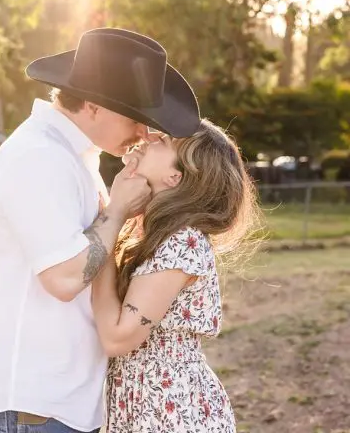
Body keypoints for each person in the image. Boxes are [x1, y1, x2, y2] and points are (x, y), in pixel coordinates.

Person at [0, 27, 202, 433]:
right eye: (136, 118)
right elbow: (65, 277)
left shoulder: (73, 157)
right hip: (29, 404)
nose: (143, 133)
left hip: (54, 403)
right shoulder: (38, 157)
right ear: (93, 106)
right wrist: (120, 209)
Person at [89, 120, 262, 432]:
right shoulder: (149, 233)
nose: (149, 136)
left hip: (172, 409)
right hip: (148, 401)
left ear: (175, 176)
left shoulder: (183, 240)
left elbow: (118, 337)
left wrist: (108, 224)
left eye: (164, 140)